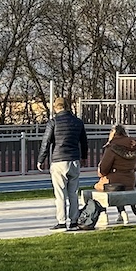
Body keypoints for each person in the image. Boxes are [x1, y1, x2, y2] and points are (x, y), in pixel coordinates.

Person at [36, 95, 90, 230]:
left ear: (56, 107)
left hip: (59, 161)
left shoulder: (53, 122)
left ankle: (61, 221)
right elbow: (84, 142)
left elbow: (46, 142)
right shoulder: (78, 122)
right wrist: (83, 157)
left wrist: (41, 159)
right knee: (73, 193)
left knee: (60, 193)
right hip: (74, 160)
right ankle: (73, 220)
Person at [79, 124, 136, 229]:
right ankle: (122, 213)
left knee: (100, 189)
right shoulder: (135, 145)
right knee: (117, 189)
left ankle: (103, 214)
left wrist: (100, 171)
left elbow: (103, 169)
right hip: (130, 181)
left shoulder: (112, 146)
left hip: (114, 181)